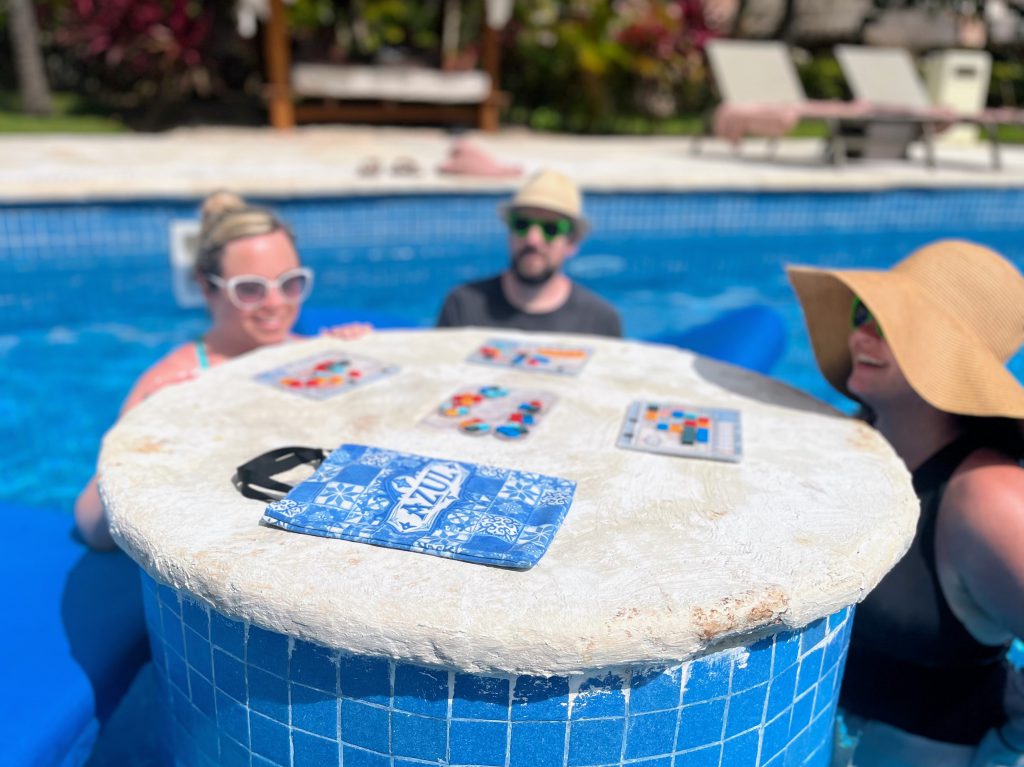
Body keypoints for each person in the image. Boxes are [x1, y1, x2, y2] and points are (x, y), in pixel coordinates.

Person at [787, 239, 1024, 767]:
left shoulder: (987, 499)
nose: (862, 334)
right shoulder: (855, 445)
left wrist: (1009, 743)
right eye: (863, 313)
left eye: (895, 324)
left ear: (954, 358)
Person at [75, 191, 369, 549]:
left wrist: (357, 353)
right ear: (205, 286)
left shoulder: (316, 356)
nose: (275, 303)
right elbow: (92, 524)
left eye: (290, 283)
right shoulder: (173, 382)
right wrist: (159, 425)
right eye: (250, 289)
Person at [436, 169, 623, 337]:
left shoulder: (599, 321)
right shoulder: (463, 306)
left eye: (550, 228)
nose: (533, 239)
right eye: (522, 224)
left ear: (572, 242)